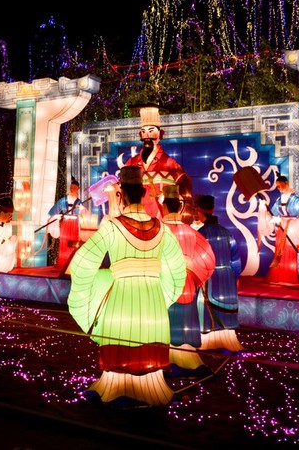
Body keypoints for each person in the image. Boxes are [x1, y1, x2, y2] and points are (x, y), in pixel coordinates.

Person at [67, 165, 187, 407]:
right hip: (153, 305)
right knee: (149, 344)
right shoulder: (162, 229)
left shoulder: (112, 227)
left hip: (122, 300)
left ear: (120, 195)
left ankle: (116, 388)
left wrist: (92, 290)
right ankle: (151, 389)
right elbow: (177, 271)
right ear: (143, 193)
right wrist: (164, 295)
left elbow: (82, 262)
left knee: (120, 341)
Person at [160, 185, 216, 377]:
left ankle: (167, 361)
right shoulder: (191, 232)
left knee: (165, 324)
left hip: (164, 285)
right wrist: (195, 278)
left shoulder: (158, 231)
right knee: (184, 322)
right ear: (180, 207)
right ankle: (186, 361)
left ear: (164, 207)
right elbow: (208, 260)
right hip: (186, 284)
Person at [124, 106, 192, 221]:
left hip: (160, 211)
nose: (147, 136)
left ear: (160, 134)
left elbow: (183, 181)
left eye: (151, 132)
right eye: (143, 132)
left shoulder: (168, 162)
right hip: (137, 212)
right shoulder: (132, 162)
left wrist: (168, 196)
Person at [195, 194, 244, 351]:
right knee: (226, 311)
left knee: (206, 310)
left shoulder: (201, 234)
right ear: (213, 209)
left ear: (200, 211)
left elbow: (197, 260)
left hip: (210, 278)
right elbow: (235, 260)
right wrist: (235, 277)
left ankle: (208, 343)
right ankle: (226, 342)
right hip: (227, 279)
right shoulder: (226, 233)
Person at [256, 175, 299, 286]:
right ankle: (278, 276)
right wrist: (264, 207)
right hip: (281, 231)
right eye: (277, 186)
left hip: (291, 230)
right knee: (279, 252)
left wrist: (298, 231)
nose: (279, 188)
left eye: (280, 185)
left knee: (289, 253)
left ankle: (288, 277)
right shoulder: (279, 200)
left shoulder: (296, 200)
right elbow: (272, 214)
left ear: (286, 183)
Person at [47, 176, 87, 269]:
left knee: (73, 243)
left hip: (74, 224)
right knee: (64, 242)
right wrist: (56, 216)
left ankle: (72, 264)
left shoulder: (79, 202)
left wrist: (82, 209)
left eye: (75, 187)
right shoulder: (63, 200)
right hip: (65, 223)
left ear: (78, 188)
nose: (73, 189)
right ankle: (63, 262)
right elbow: (53, 212)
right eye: (71, 187)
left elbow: (84, 214)